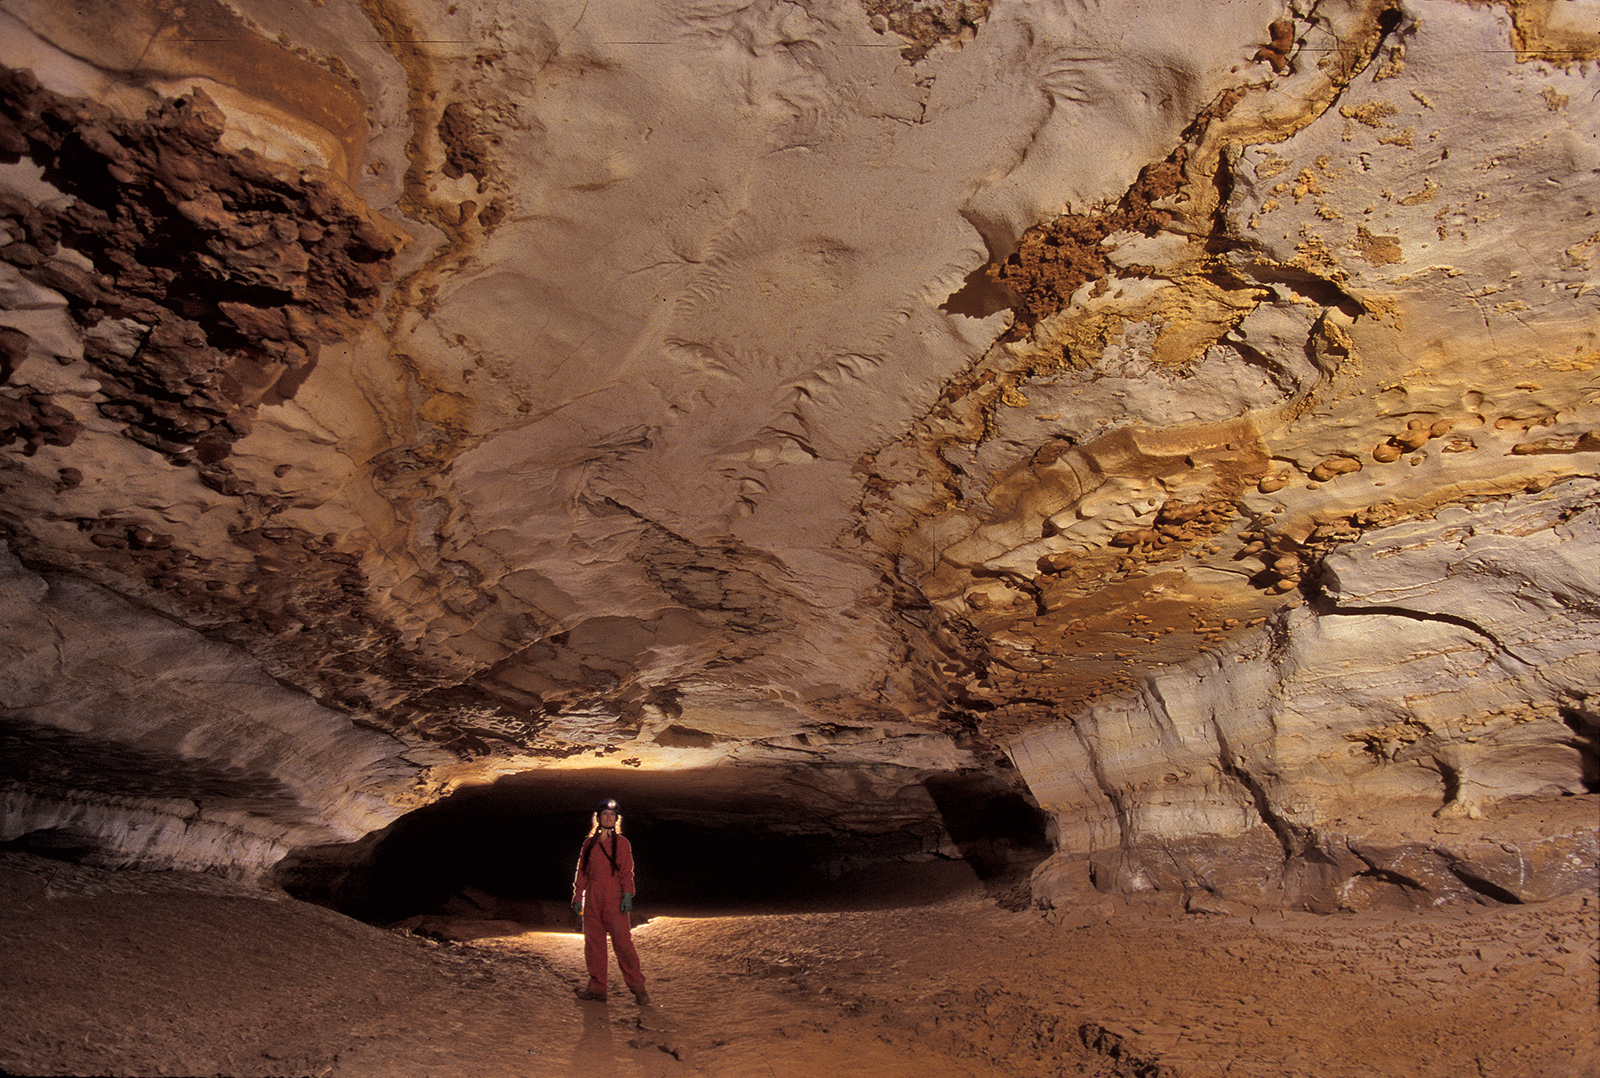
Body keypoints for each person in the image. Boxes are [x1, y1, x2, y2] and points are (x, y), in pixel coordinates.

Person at [570, 797, 649, 1004]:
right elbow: (582, 872)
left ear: (616, 819)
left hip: (614, 899)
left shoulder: (622, 844)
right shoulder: (589, 844)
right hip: (593, 900)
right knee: (594, 945)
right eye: (604, 814)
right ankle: (597, 989)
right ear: (598, 818)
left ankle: (639, 989)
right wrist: (578, 896)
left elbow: (627, 871)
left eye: (612, 815)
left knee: (623, 944)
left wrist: (627, 894)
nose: (608, 817)